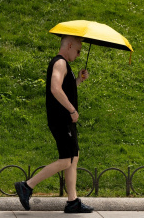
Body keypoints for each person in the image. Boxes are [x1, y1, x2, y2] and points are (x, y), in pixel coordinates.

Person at [15, 35, 94, 213]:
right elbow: (55, 88)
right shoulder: (59, 63)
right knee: (67, 160)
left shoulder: (66, 65)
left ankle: (72, 201)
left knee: (74, 157)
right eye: (78, 50)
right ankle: (27, 186)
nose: (79, 54)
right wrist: (72, 110)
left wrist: (78, 81)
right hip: (61, 119)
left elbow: (64, 88)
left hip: (65, 119)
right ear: (70, 45)